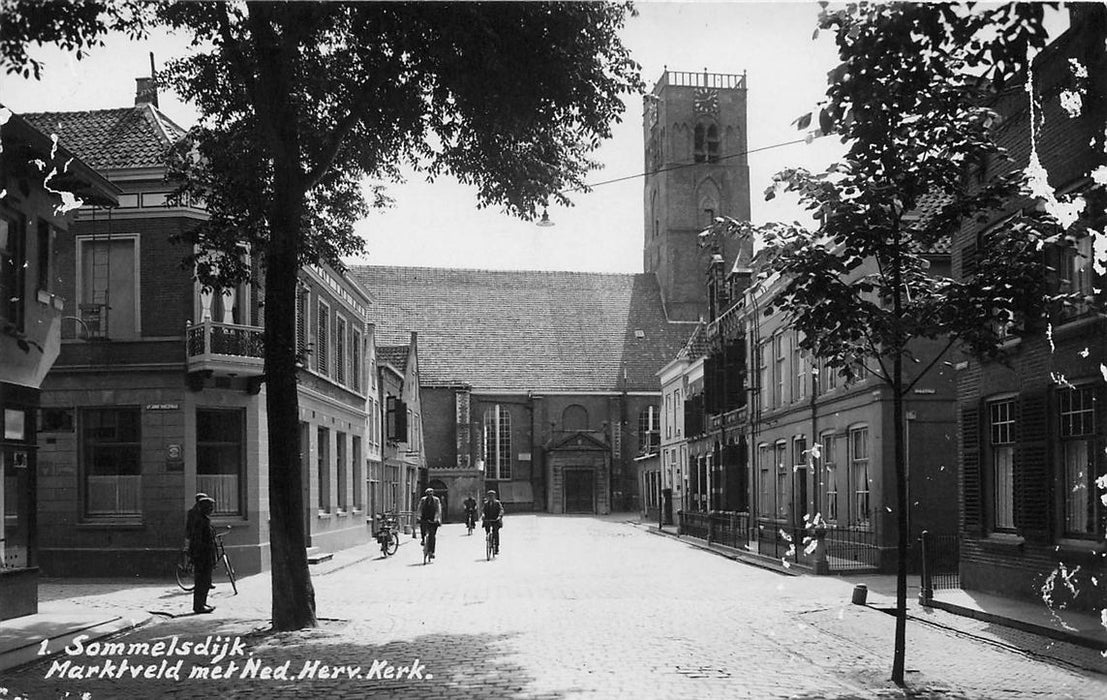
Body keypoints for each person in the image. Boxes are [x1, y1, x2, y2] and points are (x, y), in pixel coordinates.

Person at [187, 496, 217, 614]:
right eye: (210, 507)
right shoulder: (201, 521)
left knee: (205, 580)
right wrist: (201, 555)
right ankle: (199, 606)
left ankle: (202, 603)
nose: (212, 510)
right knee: (202, 581)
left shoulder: (203, 519)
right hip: (203, 556)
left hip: (204, 555)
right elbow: (198, 540)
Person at [417, 487, 442, 559]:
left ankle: (431, 552)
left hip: (433, 519)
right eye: (428, 494)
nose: (429, 496)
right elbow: (420, 508)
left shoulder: (436, 500)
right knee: (423, 528)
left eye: (431, 494)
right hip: (425, 518)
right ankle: (422, 539)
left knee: (432, 535)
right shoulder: (423, 500)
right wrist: (419, 516)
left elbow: (438, 510)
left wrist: (436, 518)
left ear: (433, 494)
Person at [482, 490, 505, 555]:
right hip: (488, 520)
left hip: (495, 520)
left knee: (495, 532)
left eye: (492, 496)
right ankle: (489, 541)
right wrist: (483, 515)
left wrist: (499, 516)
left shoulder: (497, 503)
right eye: (489, 496)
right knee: (488, 531)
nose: (491, 497)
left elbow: (501, 510)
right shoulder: (486, 504)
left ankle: (496, 547)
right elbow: (483, 511)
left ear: (494, 496)